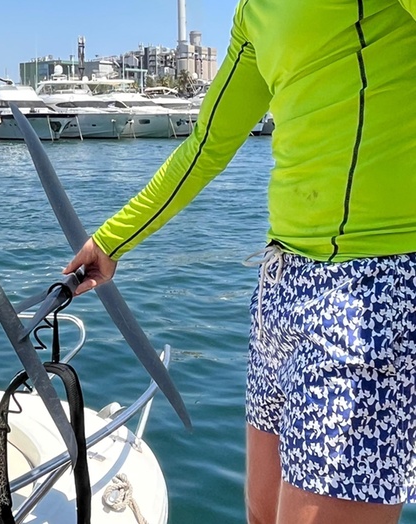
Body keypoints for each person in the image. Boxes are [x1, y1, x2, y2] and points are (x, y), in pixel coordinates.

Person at [63, 2, 416, 523]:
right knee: (260, 513)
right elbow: (207, 145)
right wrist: (112, 240)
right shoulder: (257, 11)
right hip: (280, 285)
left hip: (371, 292)